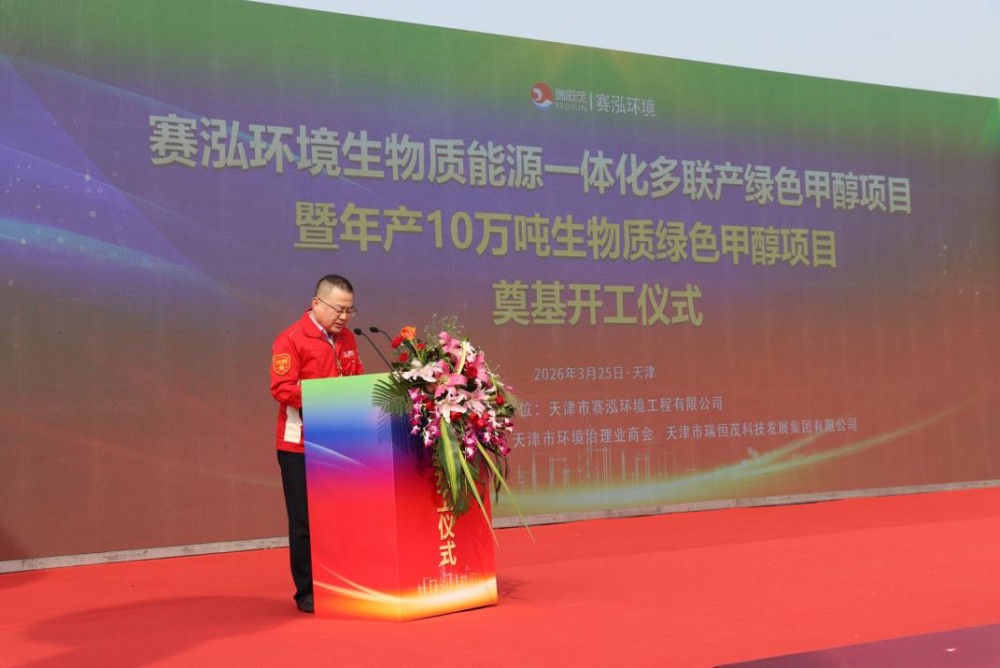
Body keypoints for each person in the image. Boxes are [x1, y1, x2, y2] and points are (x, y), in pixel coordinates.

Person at [269, 274, 364, 614]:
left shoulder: (348, 338)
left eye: (350, 310)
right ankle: (307, 591)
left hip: (341, 441)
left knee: (340, 517)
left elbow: (356, 378)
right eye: (339, 309)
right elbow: (282, 388)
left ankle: (343, 581)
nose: (344, 317)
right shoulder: (291, 340)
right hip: (300, 444)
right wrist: (325, 397)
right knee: (304, 522)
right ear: (316, 303)